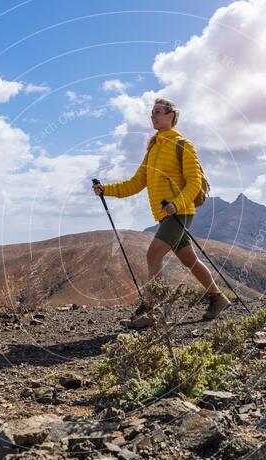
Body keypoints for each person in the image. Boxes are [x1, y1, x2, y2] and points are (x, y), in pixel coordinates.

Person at [93, 98, 230, 327]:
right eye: (152, 113)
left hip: (180, 212)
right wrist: (106, 189)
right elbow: (136, 183)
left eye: (158, 112)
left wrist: (177, 203)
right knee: (190, 260)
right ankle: (218, 298)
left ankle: (151, 309)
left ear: (171, 116)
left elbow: (194, 182)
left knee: (153, 255)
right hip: (167, 214)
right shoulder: (153, 148)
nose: (153, 116)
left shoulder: (183, 145)